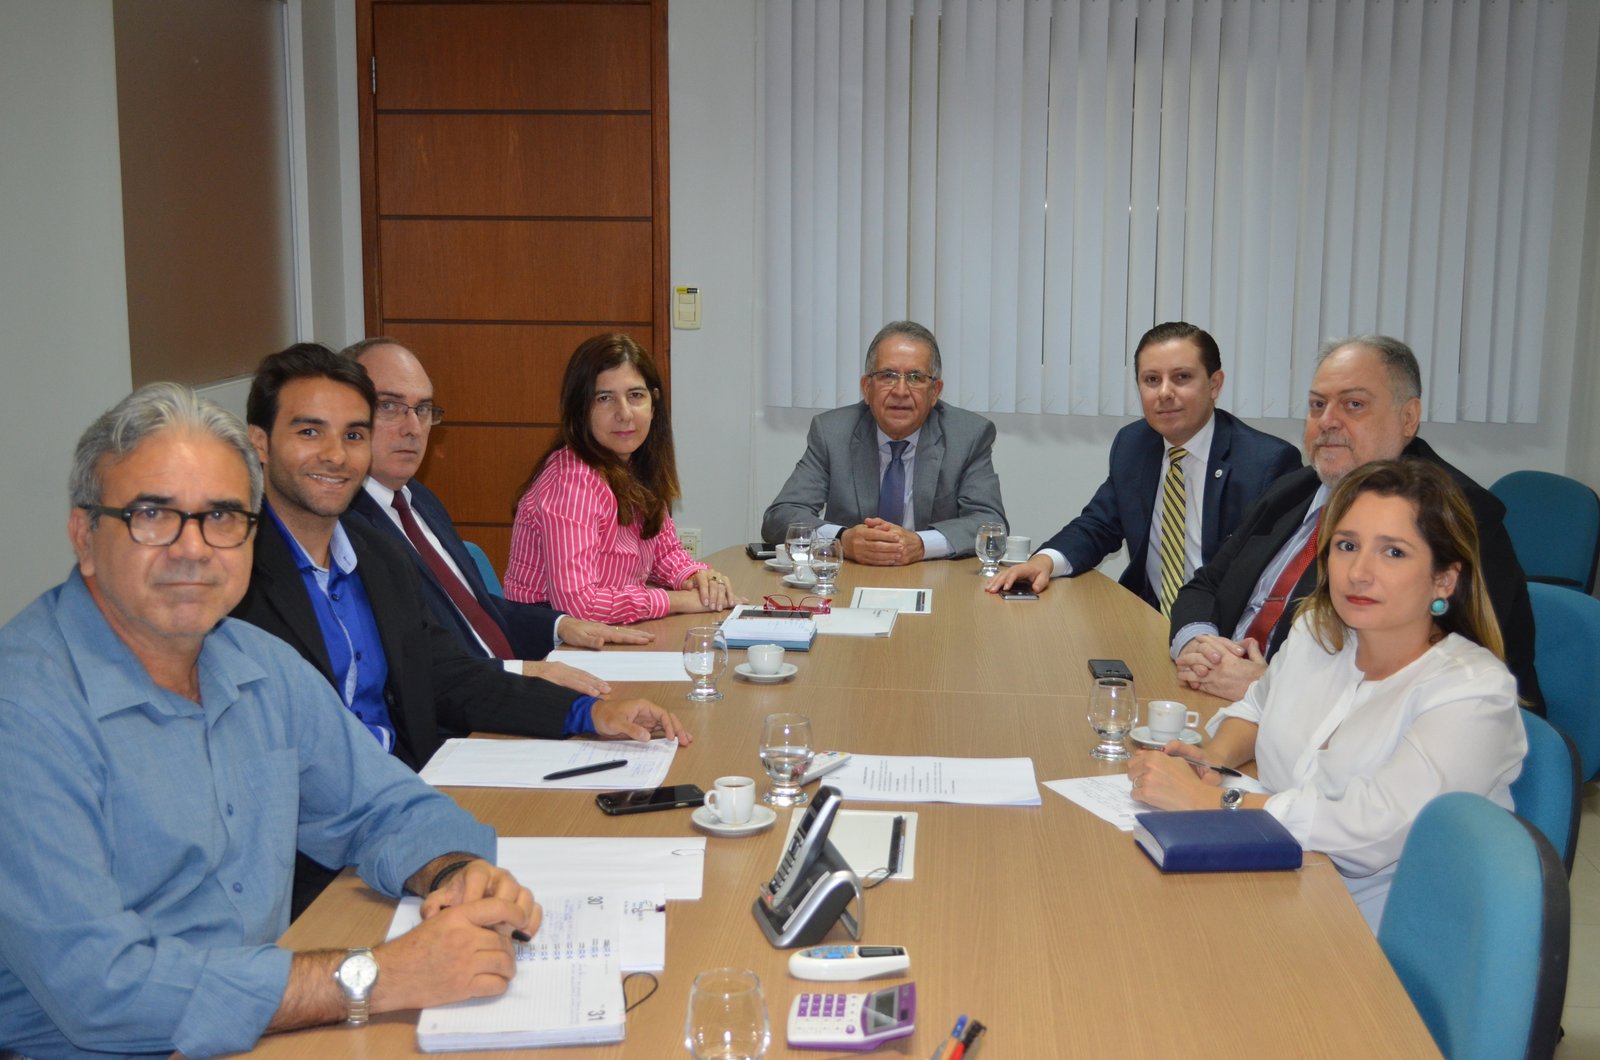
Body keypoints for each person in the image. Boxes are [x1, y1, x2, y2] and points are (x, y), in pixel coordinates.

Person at [0, 383, 541, 1058]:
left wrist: (452, 870)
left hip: (264, 1028)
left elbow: (385, 806)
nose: (193, 548)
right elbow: (101, 989)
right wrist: (374, 976)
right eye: (153, 514)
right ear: (85, 535)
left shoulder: (257, 664)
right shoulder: (24, 712)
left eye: (223, 516)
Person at [230, 344, 691, 913]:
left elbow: (448, 673)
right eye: (309, 432)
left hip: (414, 806)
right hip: (319, 858)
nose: (336, 454)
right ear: (259, 442)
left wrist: (589, 714)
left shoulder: (376, 553)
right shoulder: (233, 580)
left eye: (353, 434)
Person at [1129, 459, 1526, 932]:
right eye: (1347, 545)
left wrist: (1210, 802)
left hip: (1375, 931)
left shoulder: (1472, 693)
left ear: (1444, 579)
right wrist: (1211, 761)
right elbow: (1257, 707)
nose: (1359, 572)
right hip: (1280, 880)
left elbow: (1369, 833)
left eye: (1393, 552)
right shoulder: (1317, 633)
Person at [1168, 335, 1542, 712]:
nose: (1327, 421)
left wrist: (1270, 690)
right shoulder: (1292, 488)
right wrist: (1198, 643)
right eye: (1318, 405)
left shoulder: (1456, 515)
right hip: (1218, 701)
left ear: (1408, 418)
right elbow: (1207, 584)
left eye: (1354, 404)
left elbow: (1435, 687)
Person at [342, 338, 653, 688]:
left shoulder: (420, 501)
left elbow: (474, 610)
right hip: (467, 705)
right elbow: (413, 665)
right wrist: (524, 673)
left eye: (423, 409)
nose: (413, 427)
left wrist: (560, 626)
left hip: (504, 684)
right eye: (389, 406)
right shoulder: (346, 531)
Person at [986, 322, 1298, 609]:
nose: (1164, 393)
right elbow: (1099, 525)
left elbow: (1275, 580)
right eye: (1152, 380)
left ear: (1214, 384)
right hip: (1147, 615)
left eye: (1182, 377)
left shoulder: (1267, 464)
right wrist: (1044, 562)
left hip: (1221, 628)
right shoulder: (1134, 444)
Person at [503, 333, 745, 623]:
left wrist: (697, 578)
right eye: (605, 398)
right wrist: (677, 600)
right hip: (551, 637)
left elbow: (663, 552)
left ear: (653, 406)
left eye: (635, 396)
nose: (624, 413)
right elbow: (579, 604)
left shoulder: (635, 465)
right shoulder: (571, 483)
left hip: (606, 632)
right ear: (580, 410)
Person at [761, 320, 1007, 566]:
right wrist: (842, 539)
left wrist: (921, 545)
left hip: (933, 578)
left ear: (935, 392)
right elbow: (780, 517)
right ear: (867, 388)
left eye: (915, 377)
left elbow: (991, 524)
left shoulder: (968, 435)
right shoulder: (832, 433)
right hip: (850, 577)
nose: (900, 391)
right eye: (888, 376)